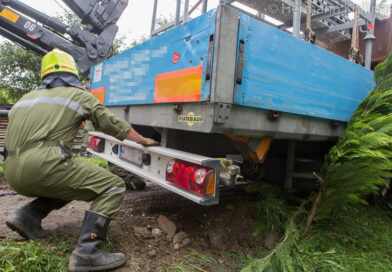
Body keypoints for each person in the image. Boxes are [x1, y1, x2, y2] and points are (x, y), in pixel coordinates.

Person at [4, 48, 158, 272]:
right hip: (44, 166)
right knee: (113, 186)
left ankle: (26, 216)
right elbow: (111, 124)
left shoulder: (23, 100)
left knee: (71, 185)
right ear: (72, 73)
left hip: (12, 172)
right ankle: (88, 252)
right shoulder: (77, 95)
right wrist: (142, 139)